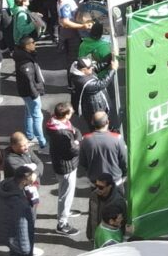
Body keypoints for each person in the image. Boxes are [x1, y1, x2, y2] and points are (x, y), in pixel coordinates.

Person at [0, 166, 37, 256]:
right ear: (24, 180)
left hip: (8, 231)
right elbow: (22, 229)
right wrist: (26, 249)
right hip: (18, 240)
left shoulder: (7, 183)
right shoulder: (20, 204)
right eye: (31, 177)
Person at [46, 102, 81, 236]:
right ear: (65, 115)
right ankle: (62, 224)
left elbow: (75, 131)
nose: (72, 114)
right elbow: (72, 151)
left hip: (61, 164)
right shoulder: (62, 133)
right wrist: (77, 142)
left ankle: (65, 211)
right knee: (66, 195)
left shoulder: (55, 124)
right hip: (66, 166)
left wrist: (76, 137)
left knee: (64, 192)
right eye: (71, 112)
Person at [79, 111, 127, 189]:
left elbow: (83, 162)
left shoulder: (85, 139)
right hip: (115, 181)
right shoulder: (117, 139)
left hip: (95, 182)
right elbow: (124, 160)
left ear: (92, 122)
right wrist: (125, 174)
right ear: (107, 122)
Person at [14, 36, 46, 148]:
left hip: (25, 92)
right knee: (37, 116)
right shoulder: (26, 62)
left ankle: (30, 135)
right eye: (33, 42)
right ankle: (42, 142)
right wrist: (35, 94)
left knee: (29, 113)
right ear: (27, 46)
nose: (35, 44)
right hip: (30, 93)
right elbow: (29, 81)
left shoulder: (23, 55)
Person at [70, 57, 119, 130]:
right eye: (90, 67)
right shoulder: (83, 82)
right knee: (98, 124)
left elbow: (97, 67)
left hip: (96, 101)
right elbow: (102, 84)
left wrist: (110, 58)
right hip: (94, 108)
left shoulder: (80, 70)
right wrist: (113, 70)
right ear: (83, 70)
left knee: (105, 121)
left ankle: (109, 129)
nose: (92, 68)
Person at [87, 172, 125, 241]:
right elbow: (91, 215)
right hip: (95, 236)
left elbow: (123, 221)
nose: (97, 189)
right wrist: (89, 234)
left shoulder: (118, 201)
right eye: (96, 186)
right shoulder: (93, 195)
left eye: (101, 187)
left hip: (110, 238)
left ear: (109, 186)